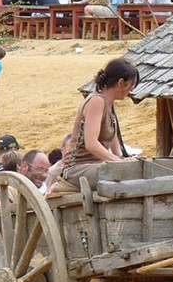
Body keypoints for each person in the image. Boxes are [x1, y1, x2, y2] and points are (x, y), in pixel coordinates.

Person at [60, 58, 139, 191]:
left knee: (136, 169)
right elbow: (91, 144)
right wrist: (118, 162)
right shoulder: (97, 101)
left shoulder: (110, 104)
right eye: (131, 85)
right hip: (77, 168)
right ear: (121, 83)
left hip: (97, 165)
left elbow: (116, 150)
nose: (131, 89)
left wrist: (125, 160)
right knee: (120, 173)